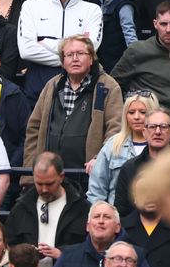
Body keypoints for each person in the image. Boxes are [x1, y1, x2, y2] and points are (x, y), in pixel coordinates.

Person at [22, 33, 122, 172]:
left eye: (80, 53)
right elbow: (34, 128)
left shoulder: (108, 86)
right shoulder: (52, 85)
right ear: (63, 61)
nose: (75, 59)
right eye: (69, 55)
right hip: (50, 176)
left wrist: (99, 159)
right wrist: (29, 173)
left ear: (92, 58)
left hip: (89, 174)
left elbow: (115, 130)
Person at [2, 152, 89, 267]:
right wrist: (26, 253)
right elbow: (10, 244)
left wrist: (62, 254)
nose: (44, 189)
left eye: (49, 184)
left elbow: (90, 248)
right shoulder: (21, 207)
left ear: (61, 177)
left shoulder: (81, 208)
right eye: (39, 183)